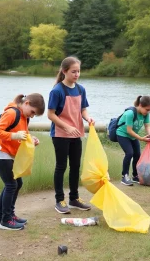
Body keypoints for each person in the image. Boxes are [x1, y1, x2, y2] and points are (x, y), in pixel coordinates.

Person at [48, 56, 94, 214]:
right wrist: (67, 127)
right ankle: (59, 200)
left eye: (78, 71)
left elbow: (83, 110)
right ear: (64, 71)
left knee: (75, 166)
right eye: (73, 71)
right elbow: (51, 115)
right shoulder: (57, 91)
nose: (77, 74)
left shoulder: (81, 89)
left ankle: (74, 198)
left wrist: (88, 118)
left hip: (76, 134)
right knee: (61, 166)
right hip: (60, 134)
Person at [0, 93, 45, 230]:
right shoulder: (11, 113)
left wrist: (31, 139)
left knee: (16, 183)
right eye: (32, 112)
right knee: (11, 185)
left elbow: (24, 134)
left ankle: (0, 217)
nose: (32, 116)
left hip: (11, 155)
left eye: (35, 115)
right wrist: (14, 136)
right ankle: (6, 220)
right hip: (1, 153)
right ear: (26, 103)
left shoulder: (24, 117)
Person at [116, 96, 150, 186]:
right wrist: (141, 138)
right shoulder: (130, 113)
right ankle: (124, 176)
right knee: (129, 153)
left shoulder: (145, 114)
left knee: (137, 154)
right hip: (123, 134)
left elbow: (147, 126)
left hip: (133, 136)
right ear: (140, 105)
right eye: (147, 109)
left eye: (149, 110)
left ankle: (135, 175)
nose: (148, 112)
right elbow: (129, 130)